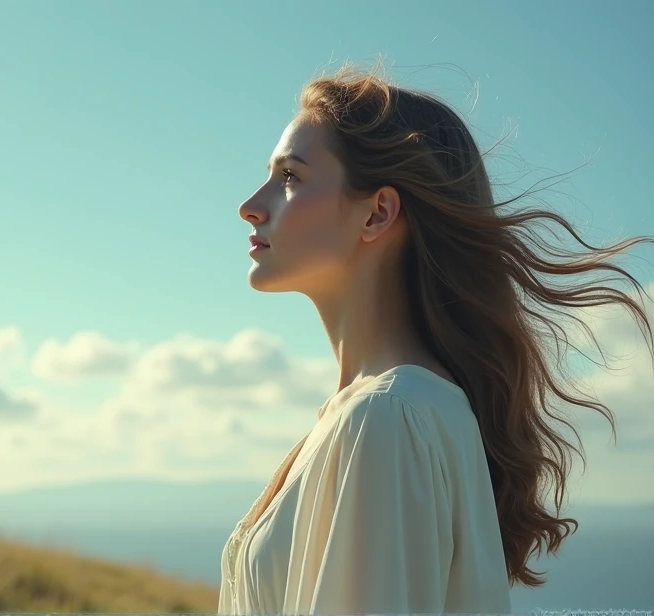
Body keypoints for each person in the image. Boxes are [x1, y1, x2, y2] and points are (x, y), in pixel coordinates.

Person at [219, 64, 654, 615]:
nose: (250, 204)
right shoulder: (379, 411)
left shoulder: (387, 418)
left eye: (290, 177)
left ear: (377, 213)